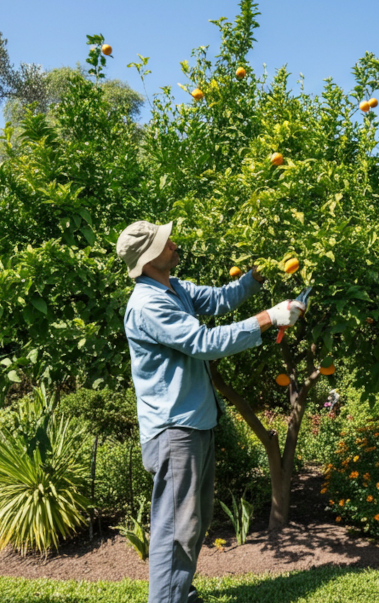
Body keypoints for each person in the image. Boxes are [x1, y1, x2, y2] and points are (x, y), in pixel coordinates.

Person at [117, 220, 303, 603]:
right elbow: (203, 342)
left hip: (194, 422)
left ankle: (179, 591)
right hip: (173, 429)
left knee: (193, 520)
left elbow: (219, 299)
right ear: (150, 257)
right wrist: (269, 318)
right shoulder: (149, 303)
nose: (173, 244)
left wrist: (258, 274)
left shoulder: (174, 288)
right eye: (165, 242)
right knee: (176, 526)